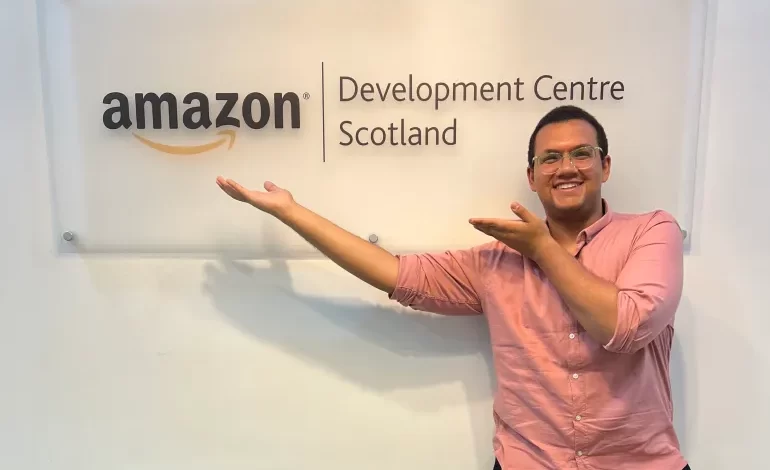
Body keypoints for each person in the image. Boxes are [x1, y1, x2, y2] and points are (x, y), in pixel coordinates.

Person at [216, 105, 689, 469]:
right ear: (532, 177)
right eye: (550, 158)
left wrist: (542, 250)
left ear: (605, 166)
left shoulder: (652, 232)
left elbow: (626, 327)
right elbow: (395, 273)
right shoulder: (496, 263)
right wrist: (291, 211)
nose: (566, 167)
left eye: (581, 154)